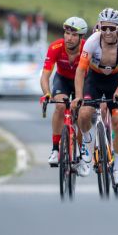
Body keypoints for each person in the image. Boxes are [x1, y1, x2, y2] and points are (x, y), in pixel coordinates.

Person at [72, 8, 118, 185]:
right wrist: (78, 96)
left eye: (112, 28)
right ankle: (86, 140)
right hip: (95, 79)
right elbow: (81, 70)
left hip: (116, 80)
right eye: (104, 27)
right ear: (99, 26)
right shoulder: (92, 41)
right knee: (83, 114)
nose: (107, 32)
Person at [40, 16, 89, 175]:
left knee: (82, 113)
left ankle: (82, 154)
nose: (69, 37)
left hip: (82, 81)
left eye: (74, 35)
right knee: (60, 106)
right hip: (63, 80)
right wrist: (47, 93)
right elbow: (45, 76)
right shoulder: (55, 47)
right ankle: (55, 149)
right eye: (67, 33)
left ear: (81, 37)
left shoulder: (87, 48)